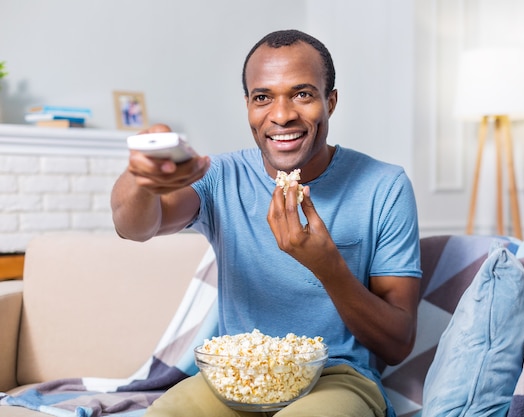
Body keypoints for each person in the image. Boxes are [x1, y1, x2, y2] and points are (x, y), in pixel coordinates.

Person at [110, 29, 421, 417]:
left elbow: (397, 343)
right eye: (263, 98)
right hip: (232, 378)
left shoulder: (384, 186)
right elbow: (133, 227)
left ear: (331, 101)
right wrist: (142, 179)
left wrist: (328, 267)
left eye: (302, 94)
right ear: (248, 106)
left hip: (339, 377)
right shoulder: (221, 176)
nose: (281, 114)